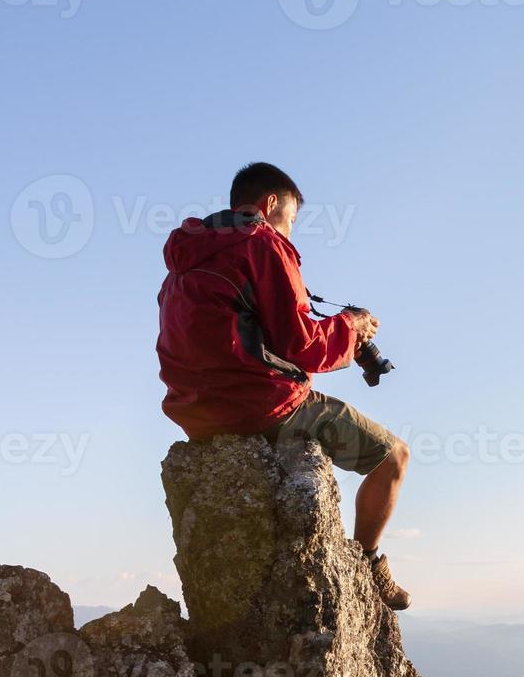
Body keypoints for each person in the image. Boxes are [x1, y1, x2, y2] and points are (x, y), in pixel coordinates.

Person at [156, 162, 412, 610]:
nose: (290, 232)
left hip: (194, 414)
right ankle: (368, 563)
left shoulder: (181, 262)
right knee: (394, 455)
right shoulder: (263, 245)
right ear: (270, 204)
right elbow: (305, 347)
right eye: (291, 220)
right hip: (261, 407)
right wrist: (351, 326)